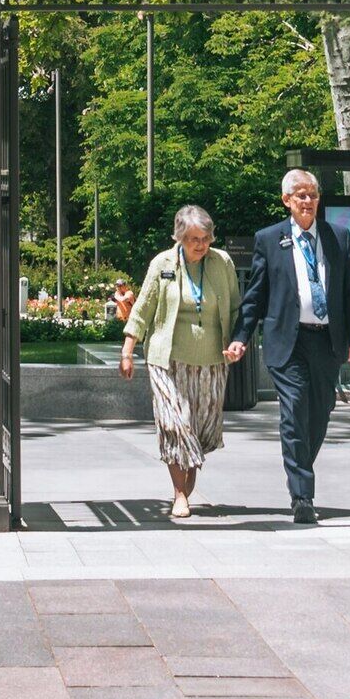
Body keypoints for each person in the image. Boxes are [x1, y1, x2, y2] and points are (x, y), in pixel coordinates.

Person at [234, 168, 350, 524]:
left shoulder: (338, 237)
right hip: (288, 340)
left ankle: (301, 470)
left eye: (312, 194)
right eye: (300, 195)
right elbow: (256, 294)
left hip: (327, 340)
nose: (307, 201)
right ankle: (302, 496)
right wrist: (240, 336)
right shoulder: (269, 239)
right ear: (287, 201)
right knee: (294, 411)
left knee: (321, 410)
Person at [119, 205, 242, 522]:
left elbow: (236, 308)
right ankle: (179, 495)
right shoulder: (163, 264)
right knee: (177, 425)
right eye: (193, 239)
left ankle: (185, 489)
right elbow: (143, 307)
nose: (201, 245)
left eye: (205, 238)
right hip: (168, 360)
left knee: (198, 430)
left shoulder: (222, 263)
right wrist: (128, 348)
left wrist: (236, 342)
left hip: (211, 361)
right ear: (179, 238)